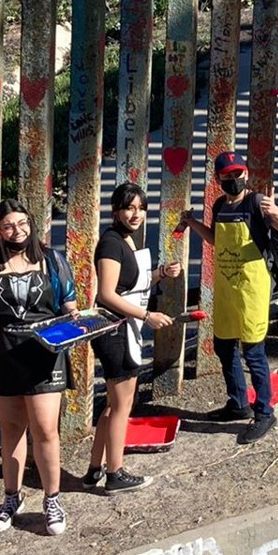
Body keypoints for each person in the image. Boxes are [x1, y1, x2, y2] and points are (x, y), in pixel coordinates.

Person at [0, 199, 78, 537]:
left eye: (22, 223)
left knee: (45, 429)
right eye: (8, 226)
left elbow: (70, 304)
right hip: (2, 354)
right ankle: (12, 497)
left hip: (44, 353)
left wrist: (77, 319)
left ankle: (52, 500)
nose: (17, 231)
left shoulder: (52, 260)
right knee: (9, 429)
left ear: (31, 223)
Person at [179, 152, 278, 445]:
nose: (234, 180)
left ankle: (264, 412)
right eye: (227, 176)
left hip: (253, 288)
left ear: (245, 173)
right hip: (227, 289)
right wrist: (192, 223)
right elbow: (216, 240)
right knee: (223, 345)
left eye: (238, 174)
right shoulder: (220, 205)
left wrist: (277, 212)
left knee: (253, 351)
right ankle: (237, 403)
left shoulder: (256, 203)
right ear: (219, 180)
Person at [84, 182, 182, 494]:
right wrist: (146, 316)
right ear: (116, 211)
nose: (135, 213)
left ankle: (94, 469)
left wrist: (162, 273)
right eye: (129, 207)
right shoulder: (111, 243)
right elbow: (107, 294)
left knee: (113, 406)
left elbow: (133, 282)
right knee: (122, 406)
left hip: (126, 329)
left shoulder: (126, 238)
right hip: (116, 330)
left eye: (140, 207)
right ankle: (115, 474)